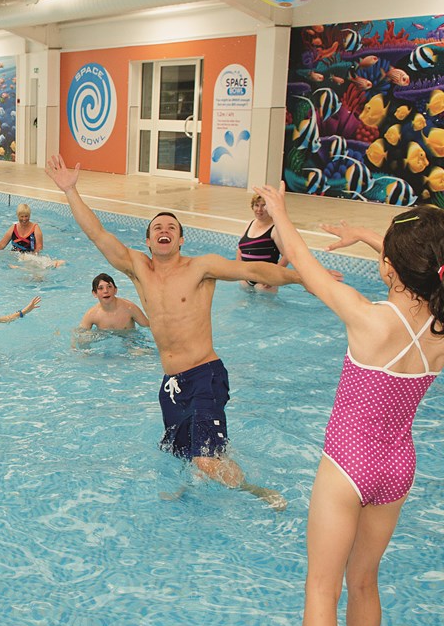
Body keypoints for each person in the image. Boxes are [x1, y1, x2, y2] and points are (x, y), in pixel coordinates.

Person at [253, 185, 444, 626]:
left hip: (349, 465)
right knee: (364, 580)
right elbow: (428, 269)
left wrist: (282, 213)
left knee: (321, 589)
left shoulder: (369, 318)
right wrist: (372, 238)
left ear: (392, 268)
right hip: (397, 468)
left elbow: (305, 267)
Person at [45, 155, 310, 509]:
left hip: (204, 374)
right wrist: (71, 190)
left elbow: (260, 271)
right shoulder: (138, 269)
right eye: (156, 228)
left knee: (205, 459)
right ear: (148, 241)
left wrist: (304, 277)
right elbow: (96, 233)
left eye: (171, 226)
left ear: (182, 239)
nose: (163, 230)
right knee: (180, 455)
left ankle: (258, 494)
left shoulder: (202, 267)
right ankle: (204, 478)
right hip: (170, 386)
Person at [236, 193, 289, 291]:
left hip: (265, 282)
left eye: (264, 206)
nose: (259, 210)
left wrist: (272, 277)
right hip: (246, 278)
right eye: (256, 205)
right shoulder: (250, 224)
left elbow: (287, 255)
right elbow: (241, 249)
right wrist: (239, 270)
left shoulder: (275, 229)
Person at [79, 273, 149, 332]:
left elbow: (149, 327)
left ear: (115, 290)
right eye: (100, 288)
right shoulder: (92, 314)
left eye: (109, 286)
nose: (106, 291)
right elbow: (79, 334)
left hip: (130, 340)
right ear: (94, 293)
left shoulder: (130, 308)